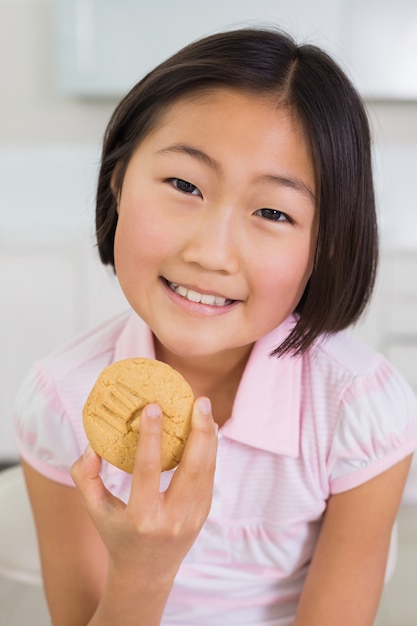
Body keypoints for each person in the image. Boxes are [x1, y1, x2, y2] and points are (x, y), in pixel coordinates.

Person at [14, 26, 417, 626]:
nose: (212, 253)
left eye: (274, 212)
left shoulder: (360, 408)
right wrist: (146, 567)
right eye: (184, 185)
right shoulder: (58, 400)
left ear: (325, 245)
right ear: (118, 181)